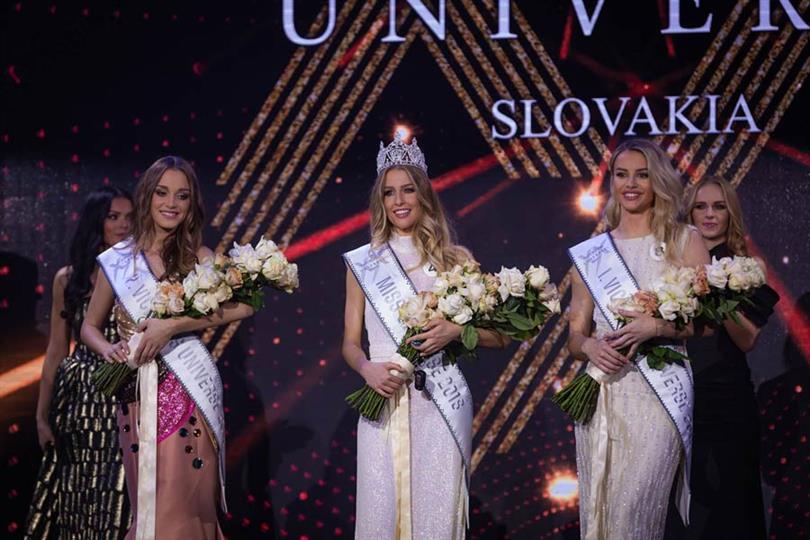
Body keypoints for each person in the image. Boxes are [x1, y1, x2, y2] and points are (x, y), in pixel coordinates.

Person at [341, 133, 508, 539]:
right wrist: (367, 369)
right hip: (383, 398)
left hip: (439, 401)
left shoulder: (455, 260)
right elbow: (349, 343)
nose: (399, 201)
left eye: (408, 190)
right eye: (389, 193)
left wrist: (456, 330)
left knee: (435, 516)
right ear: (380, 201)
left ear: (424, 195)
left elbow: (499, 336)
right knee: (381, 514)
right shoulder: (364, 263)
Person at [80, 156, 254, 539]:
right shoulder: (119, 260)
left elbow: (246, 304)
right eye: (162, 193)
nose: (171, 203)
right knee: (151, 503)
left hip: (188, 389)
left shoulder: (200, 258)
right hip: (136, 393)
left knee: (185, 506)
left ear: (192, 204)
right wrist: (107, 348)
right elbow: (88, 326)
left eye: (182, 196)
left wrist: (173, 325)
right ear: (147, 197)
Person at [567, 139, 710, 540]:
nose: (630, 184)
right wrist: (590, 346)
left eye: (642, 175)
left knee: (634, 512)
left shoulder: (685, 240)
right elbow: (575, 337)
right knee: (601, 511)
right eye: (621, 174)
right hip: (605, 392)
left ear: (657, 181)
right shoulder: (592, 254)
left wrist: (657, 328)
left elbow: (709, 323)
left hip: (659, 394)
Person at [665, 175, 777, 539]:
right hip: (678, 395)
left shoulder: (747, 269)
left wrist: (714, 287)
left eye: (719, 206)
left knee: (733, 503)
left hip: (728, 399)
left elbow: (747, 340)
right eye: (701, 207)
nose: (710, 215)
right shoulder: (669, 266)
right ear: (689, 213)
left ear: (731, 213)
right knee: (683, 509)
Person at [26, 186, 134, 539]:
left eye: (129, 218)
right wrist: (42, 415)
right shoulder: (67, 279)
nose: (123, 225)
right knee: (76, 490)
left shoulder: (142, 275)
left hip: (124, 393)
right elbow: (56, 350)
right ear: (95, 222)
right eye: (113, 217)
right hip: (78, 401)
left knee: (119, 492)